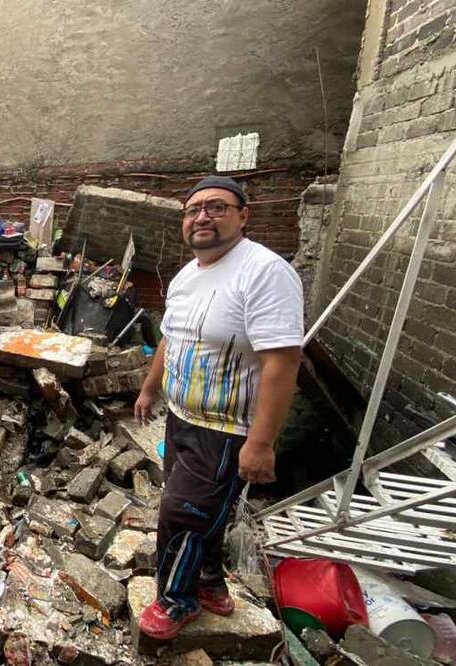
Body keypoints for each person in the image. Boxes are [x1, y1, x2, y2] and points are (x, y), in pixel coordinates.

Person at [133, 175, 304, 639]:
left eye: (216, 207)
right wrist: (151, 390)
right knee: (207, 511)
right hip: (183, 420)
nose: (202, 216)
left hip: (226, 429)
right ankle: (208, 580)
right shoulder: (189, 275)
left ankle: (176, 601)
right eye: (192, 210)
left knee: (182, 514)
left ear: (243, 216)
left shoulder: (263, 272)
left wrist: (261, 443)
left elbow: (283, 360)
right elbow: (172, 339)